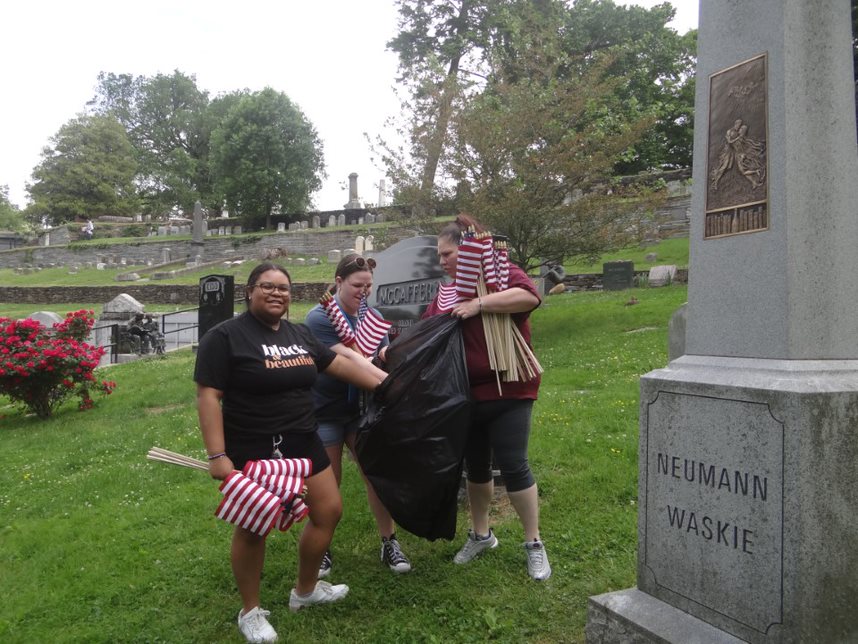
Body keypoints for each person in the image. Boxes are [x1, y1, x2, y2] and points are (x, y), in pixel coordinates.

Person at [194, 262, 386, 643]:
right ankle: (250, 611)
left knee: (328, 512)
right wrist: (218, 455)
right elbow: (208, 396)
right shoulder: (225, 337)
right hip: (253, 446)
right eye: (267, 286)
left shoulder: (298, 335)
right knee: (253, 528)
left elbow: (341, 365)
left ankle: (306, 589)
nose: (277, 293)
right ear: (249, 291)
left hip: (303, 440)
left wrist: (390, 387)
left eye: (283, 288)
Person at [423, 214, 551, 581]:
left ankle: (534, 543)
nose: (441, 260)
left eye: (447, 253)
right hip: (466, 393)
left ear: (466, 249)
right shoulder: (445, 293)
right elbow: (430, 331)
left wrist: (479, 304)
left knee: (514, 465)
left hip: (509, 385)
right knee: (475, 470)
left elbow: (529, 296)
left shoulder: (498, 274)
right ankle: (481, 535)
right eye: (439, 254)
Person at [305, 254, 411, 579]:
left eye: (368, 286)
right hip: (326, 410)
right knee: (328, 482)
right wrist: (390, 384)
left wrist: (385, 358)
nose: (363, 292)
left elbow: (375, 360)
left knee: (374, 475)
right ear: (338, 282)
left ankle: (389, 541)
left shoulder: (373, 317)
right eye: (356, 286)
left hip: (362, 410)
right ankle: (322, 548)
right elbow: (349, 362)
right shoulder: (319, 319)